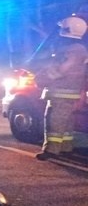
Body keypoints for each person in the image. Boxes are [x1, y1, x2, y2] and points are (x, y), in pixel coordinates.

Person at [35, 32, 88, 160]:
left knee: (55, 123)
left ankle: (51, 150)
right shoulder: (81, 50)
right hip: (70, 93)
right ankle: (66, 148)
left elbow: (59, 70)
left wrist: (42, 77)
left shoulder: (70, 51)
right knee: (66, 123)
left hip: (60, 92)